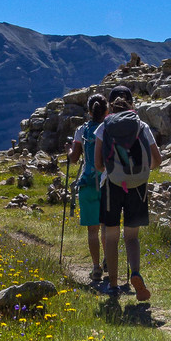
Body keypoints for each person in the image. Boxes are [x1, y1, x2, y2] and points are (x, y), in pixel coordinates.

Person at [95, 83, 162, 302]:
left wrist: (114, 170)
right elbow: (157, 160)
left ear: (110, 106)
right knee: (132, 237)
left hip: (111, 185)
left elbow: (97, 164)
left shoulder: (103, 127)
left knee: (112, 237)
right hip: (138, 187)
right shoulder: (141, 126)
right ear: (131, 104)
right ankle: (135, 272)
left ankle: (113, 285)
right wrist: (139, 173)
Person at [65, 91, 108, 285]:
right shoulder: (109, 127)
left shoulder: (81, 131)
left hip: (87, 183)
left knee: (93, 230)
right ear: (106, 110)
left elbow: (74, 158)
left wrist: (68, 150)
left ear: (89, 111)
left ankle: (96, 267)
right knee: (107, 226)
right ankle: (109, 260)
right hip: (107, 182)